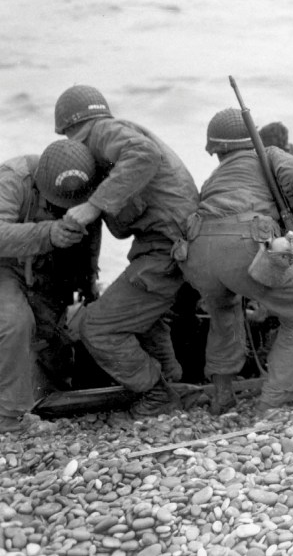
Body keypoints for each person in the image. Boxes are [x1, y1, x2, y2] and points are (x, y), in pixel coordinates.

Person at [55, 85, 199, 418]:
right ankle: (170, 383)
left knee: (97, 328)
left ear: (69, 129)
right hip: (169, 244)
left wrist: (92, 207)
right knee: (146, 318)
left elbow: (143, 155)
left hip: (167, 247)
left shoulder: (103, 132)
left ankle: (156, 393)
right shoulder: (114, 136)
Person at [179, 108, 293, 414]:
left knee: (223, 314)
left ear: (216, 149)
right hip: (244, 244)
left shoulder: (215, 177)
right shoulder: (266, 154)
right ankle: (274, 402)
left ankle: (222, 396)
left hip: (197, 251)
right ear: (251, 137)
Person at [0, 141, 101, 433]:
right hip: (4, 265)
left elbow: (90, 233)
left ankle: (50, 403)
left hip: (42, 266)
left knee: (55, 338)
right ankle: (7, 418)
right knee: (14, 323)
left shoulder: (85, 185)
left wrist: (87, 282)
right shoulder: (12, 179)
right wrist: (49, 233)